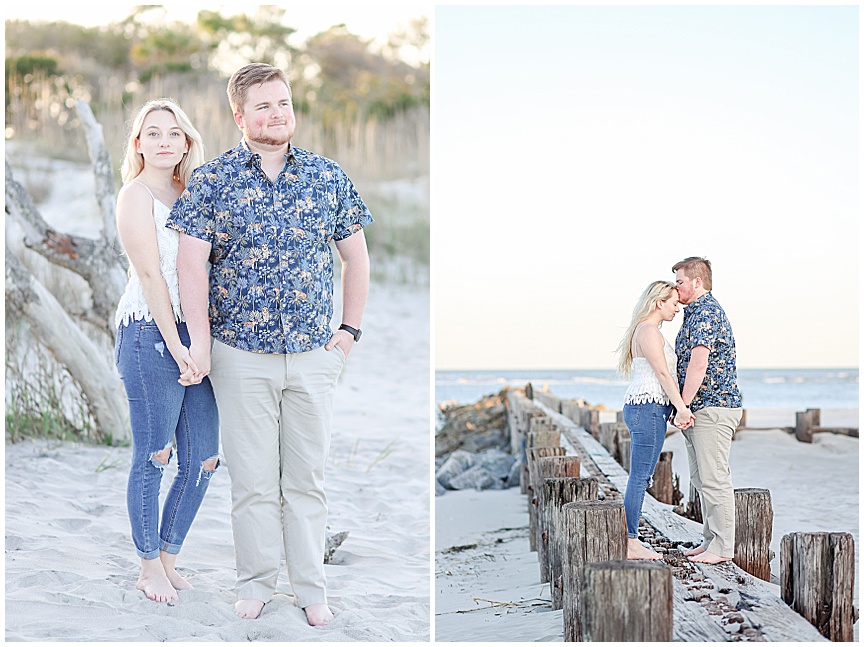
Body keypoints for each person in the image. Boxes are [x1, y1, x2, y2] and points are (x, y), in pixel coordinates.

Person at [168, 63, 372, 625]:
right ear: (239, 116)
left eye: (282, 102)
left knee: (306, 481)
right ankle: (255, 582)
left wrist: (348, 334)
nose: (276, 113)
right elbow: (191, 270)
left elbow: (355, 257)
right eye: (262, 105)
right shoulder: (212, 181)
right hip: (239, 356)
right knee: (254, 482)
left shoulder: (327, 176)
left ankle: (311, 590)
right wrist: (203, 347)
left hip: (314, 357)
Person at [113, 99, 219, 604]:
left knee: (204, 456)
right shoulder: (135, 196)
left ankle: (170, 558)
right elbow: (153, 275)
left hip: (195, 332)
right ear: (138, 144)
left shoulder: (194, 192)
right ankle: (147, 565)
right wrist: (177, 346)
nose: (163, 142)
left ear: (186, 142)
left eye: (173, 134)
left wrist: (200, 341)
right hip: (149, 333)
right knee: (155, 454)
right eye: (152, 133)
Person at [616, 281, 694, 560]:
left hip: (650, 408)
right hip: (647, 408)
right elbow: (663, 374)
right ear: (658, 302)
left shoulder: (648, 330)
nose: (677, 308)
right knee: (639, 478)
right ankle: (630, 541)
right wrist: (682, 408)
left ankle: (630, 539)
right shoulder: (648, 331)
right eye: (673, 303)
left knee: (641, 476)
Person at [673, 257, 742, 565]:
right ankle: (711, 540)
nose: (676, 287)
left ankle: (723, 548)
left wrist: (682, 405)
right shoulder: (694, 314)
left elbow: (698, 364)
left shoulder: (706, 312)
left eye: (680, 281)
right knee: (702, 479)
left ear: (696, 282)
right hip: (701, 408)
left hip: (713, 406)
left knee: (714, 480)